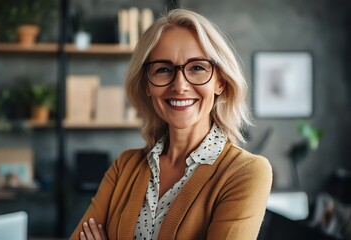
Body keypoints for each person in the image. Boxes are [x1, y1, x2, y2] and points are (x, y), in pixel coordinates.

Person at [70, 8, 272, 240]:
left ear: (221, 82)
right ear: (147, 85)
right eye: (163, 69)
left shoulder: (244, 173)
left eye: (197, 68)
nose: (179, 85)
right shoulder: (124, 167)